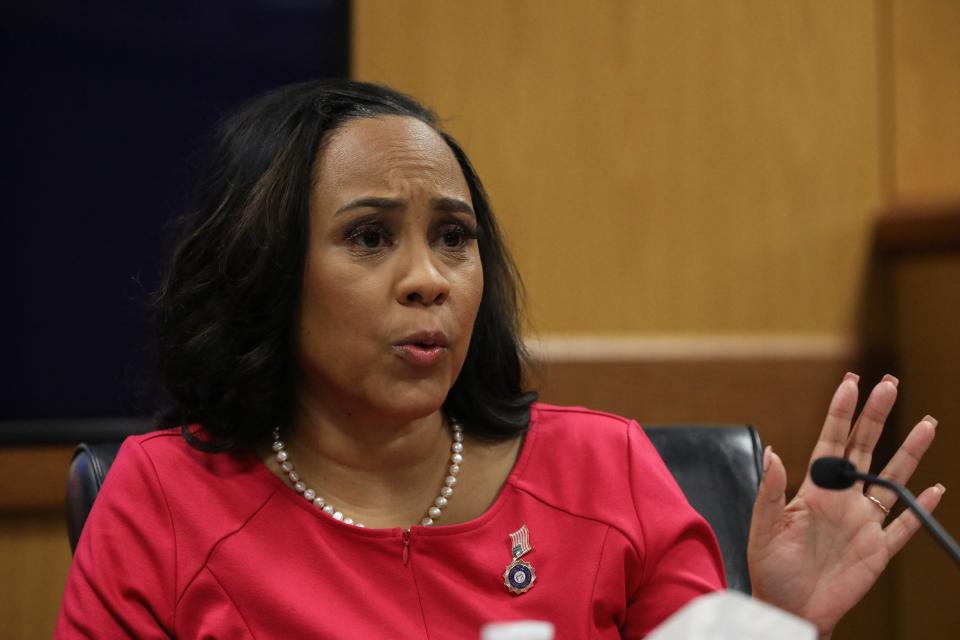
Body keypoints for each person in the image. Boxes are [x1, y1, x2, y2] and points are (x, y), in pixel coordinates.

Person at [55, 80, 944, 639]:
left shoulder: (607, 470)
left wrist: (777, 625)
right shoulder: (160, 500)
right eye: (369, 238)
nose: (429, 279)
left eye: (454, 238)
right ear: (268, 270)